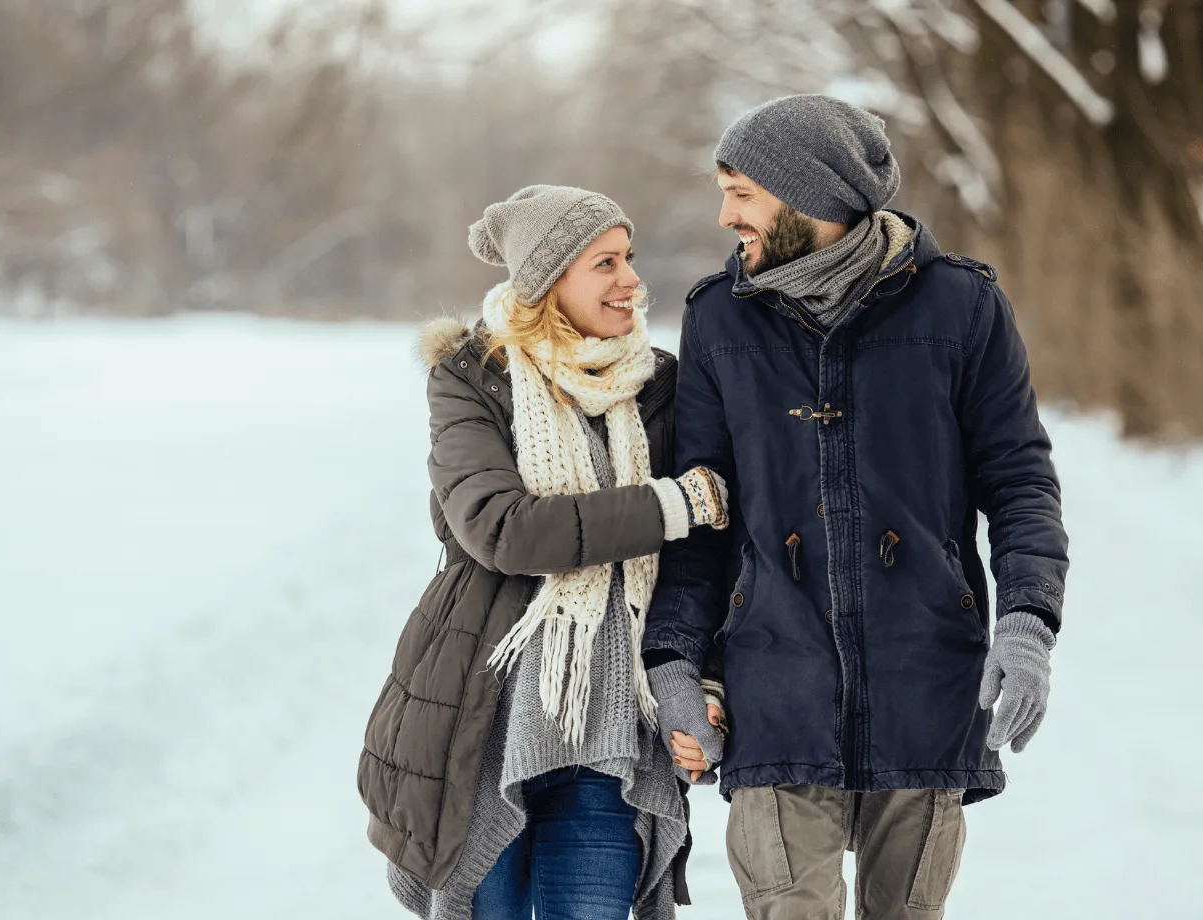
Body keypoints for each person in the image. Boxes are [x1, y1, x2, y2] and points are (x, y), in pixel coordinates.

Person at [642, 95, 1071, 920]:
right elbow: (700, 517)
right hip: (773, 677)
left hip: (928, 675)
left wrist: (1027, 623)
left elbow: (1019, 482)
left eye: (741, 191)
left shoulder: (963, 308)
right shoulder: (719, 318)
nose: (724, 214)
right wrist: (675, 663)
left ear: (809, 194)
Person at [359, 185, 732, 920]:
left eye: (629, 259)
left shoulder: (659, 386)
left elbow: (703, 564)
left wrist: (706, 685)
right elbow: (503, 530)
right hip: (487, 725)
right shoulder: (471, 378)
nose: (631, 280)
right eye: (605, 263)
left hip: (612, 739)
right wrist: (673, 504)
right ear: (548, 278)